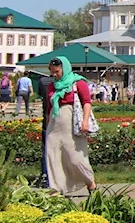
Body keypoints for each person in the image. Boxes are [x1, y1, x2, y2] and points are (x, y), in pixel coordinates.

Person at [44, 56, 96, 195]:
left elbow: (86, 102)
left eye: (57, 72)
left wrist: (85, 122)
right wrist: (48, 125)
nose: (55, 75)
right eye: (52, 72)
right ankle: (56, 188)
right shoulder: (51, 86)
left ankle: (90, 182)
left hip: (72, 123)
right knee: (53, 155)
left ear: (64, 69)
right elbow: (49, 107)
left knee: (75, 158)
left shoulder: (78, 82)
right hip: (55, 125)